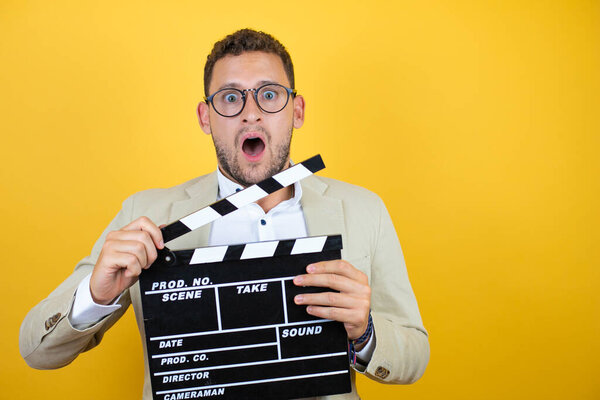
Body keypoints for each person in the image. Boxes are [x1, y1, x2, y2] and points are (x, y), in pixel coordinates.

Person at [20, 29, 429, 399]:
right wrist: (96, 294)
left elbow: (414, 354)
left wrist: (365, 332)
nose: (251, 113)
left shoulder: (363, 210)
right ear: (206, 117)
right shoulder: (146, 213)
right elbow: (36, 351)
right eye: (231, 98)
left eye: (269, 94)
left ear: (297, 111)